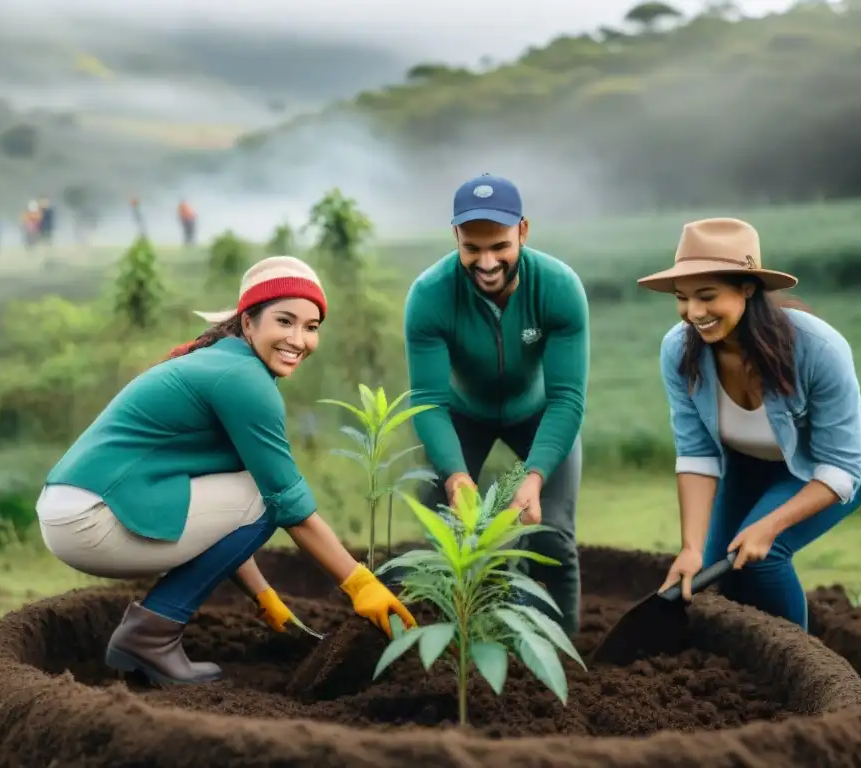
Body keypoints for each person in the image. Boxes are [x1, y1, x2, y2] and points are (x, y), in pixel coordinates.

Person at [35, 256, 416, 685]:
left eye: (311, 327)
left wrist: (261, 593)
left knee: (253, 493)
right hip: (93, 519)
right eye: (285, 321)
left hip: (75, 508)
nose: (299, 339)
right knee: (268, 497)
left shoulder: (224, 362)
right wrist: (359, 583)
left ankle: (151, 634)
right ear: (248, 323)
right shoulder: (243, 378)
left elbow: (223, 512)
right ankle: (151, 635)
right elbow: (283, 503)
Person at [639, 217, 861, 630]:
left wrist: (769, 525)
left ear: (747, 288)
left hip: (827, 469)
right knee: (719, 568)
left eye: (707, 295)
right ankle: (747, 672)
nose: (693, 312)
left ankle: (801, 670)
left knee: (763, 555)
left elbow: (841, 468)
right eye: (682, 298)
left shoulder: (818, 348)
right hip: (747, 463)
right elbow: (697, 454)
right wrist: (691, 549)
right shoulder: (679, 350)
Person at [402, 173, 590, 636]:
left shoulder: (559, 287)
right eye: (472, 248)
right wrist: (457, 476)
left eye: (500, 246)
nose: (486, 262)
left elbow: (567, 397)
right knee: (446, 535)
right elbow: (427, 400)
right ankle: (458, 645)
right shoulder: (430, 295)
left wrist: (535, 475)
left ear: (522, 232)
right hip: (462, 417)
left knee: (552, 535)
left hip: (540, 414)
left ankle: (557, 652)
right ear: (456, 238)